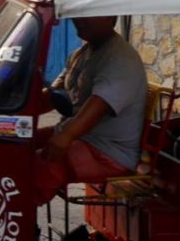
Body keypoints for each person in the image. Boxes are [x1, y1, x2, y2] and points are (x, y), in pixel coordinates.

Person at [33, 15, 148, 204]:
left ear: (111, 18)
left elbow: (97, 106)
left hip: (108, 152)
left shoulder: (119, 59)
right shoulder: (82, 53)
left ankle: (18, 226)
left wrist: (64, 137)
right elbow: (56, 94)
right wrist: (17, 111)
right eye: (80, 13)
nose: (80, 19)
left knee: (37, 168)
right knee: (19, 146)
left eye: (89, 14)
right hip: (82, 137)